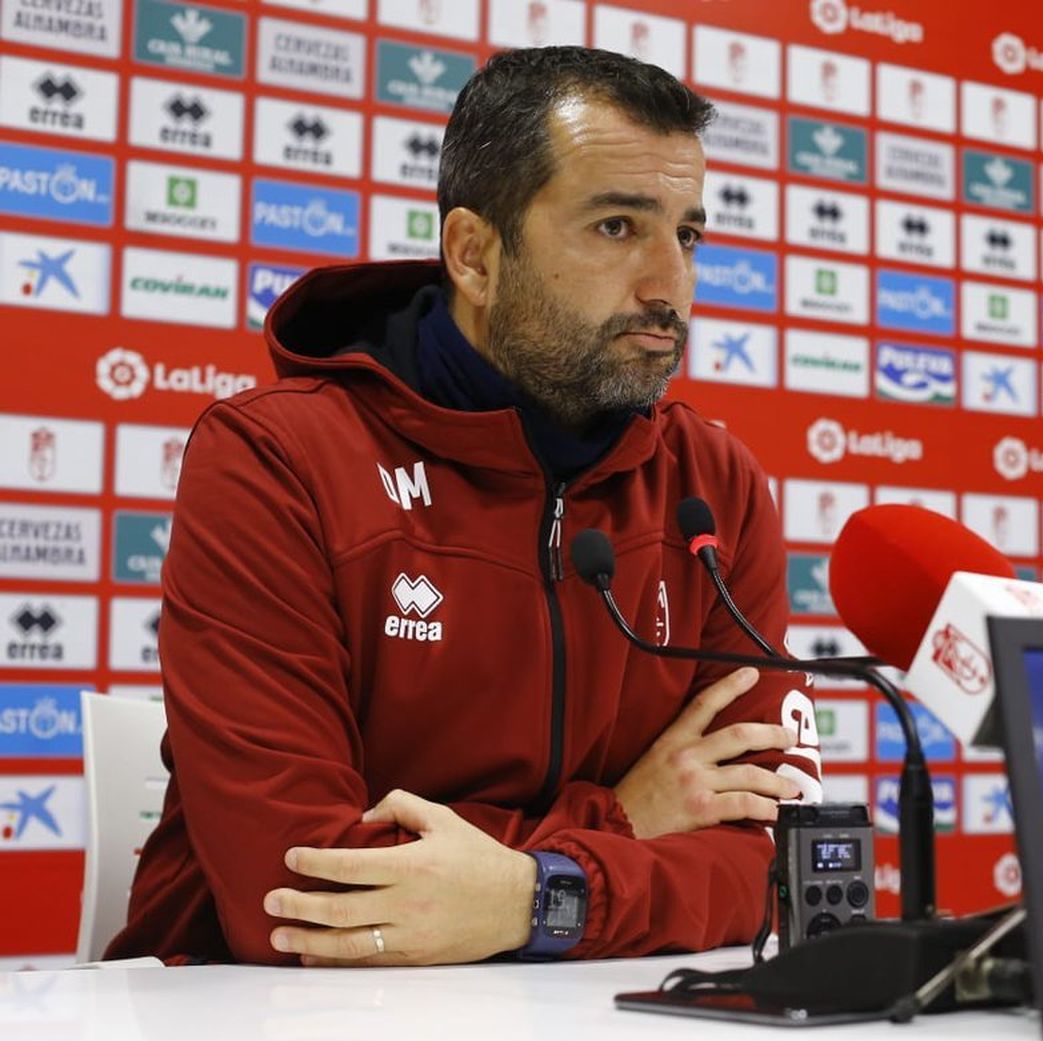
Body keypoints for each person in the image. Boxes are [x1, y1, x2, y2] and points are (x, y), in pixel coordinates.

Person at [106, 47, 820, 967]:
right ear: (474, 255)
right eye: (615, 226)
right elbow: (306, 897)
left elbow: (777, 865)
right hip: (277, 1024)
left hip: (594, 1024)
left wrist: (531, 896)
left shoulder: (712, 490)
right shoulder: (276, 459)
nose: (667, 285)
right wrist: (616, 825)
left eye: (686, 235)